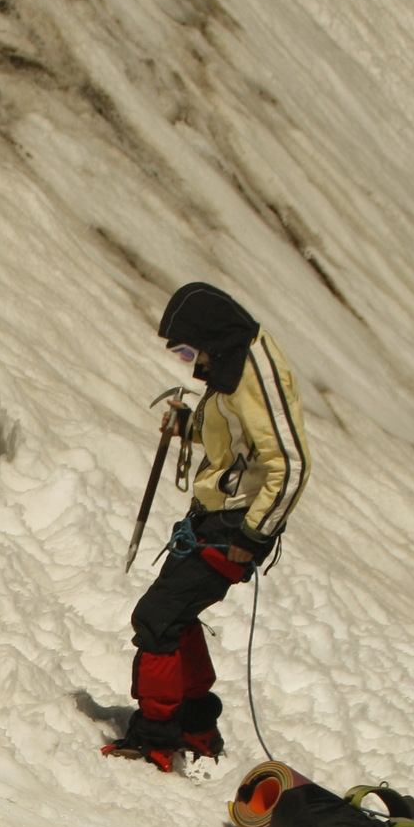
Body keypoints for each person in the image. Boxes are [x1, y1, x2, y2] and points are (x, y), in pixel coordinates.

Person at [105, 282, 312, 772]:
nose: (186, 361)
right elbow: (233, 433)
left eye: (185, 349)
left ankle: (156, 735)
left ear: (209, 338)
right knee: (172, 618)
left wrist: (252, 536)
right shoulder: (231, 365)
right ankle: (196, 725)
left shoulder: (255, 376)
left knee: (157, 620)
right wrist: (189, 427)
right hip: (215, 519)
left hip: (235, 527)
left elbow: (292, 464)